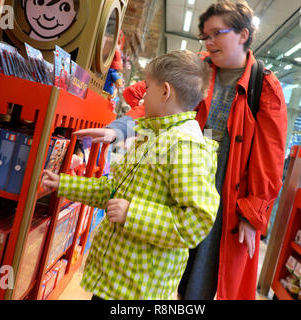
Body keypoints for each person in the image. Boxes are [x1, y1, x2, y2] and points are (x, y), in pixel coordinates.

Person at [75, 0, 288, 300]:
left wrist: (253, 215)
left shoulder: (264, 87)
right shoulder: (194, 68)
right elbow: (148, 99)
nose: (208, 41)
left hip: (224, 203)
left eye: (216, 33)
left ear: (243, 35)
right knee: (155, 269)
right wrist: (118, 129)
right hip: (170, 189)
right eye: (205, 35)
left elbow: (270, 158)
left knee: (197, 284)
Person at [42, 50, 220, 300]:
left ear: (165, 92)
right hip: (115, 278)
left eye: (148, 88)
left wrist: (132, 213)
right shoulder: (152, 134)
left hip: (140, 289)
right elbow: (113, 191)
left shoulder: (186, 146)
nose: (143, 96)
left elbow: (196, 222)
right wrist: (63, 183)